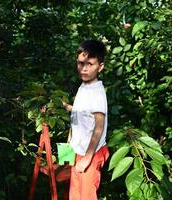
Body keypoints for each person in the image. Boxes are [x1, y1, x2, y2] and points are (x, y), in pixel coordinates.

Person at [63, 40, 109, 200]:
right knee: (74, 194)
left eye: (89, 64)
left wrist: (88, 158)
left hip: (91, 153)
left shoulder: (97, 92)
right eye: (80, 63)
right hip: (77, 150)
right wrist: (65, 107)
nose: (84, 68)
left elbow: (99, 127)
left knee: (86, 196)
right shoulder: (84, 86)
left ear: (100, 67)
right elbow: (82, 112)